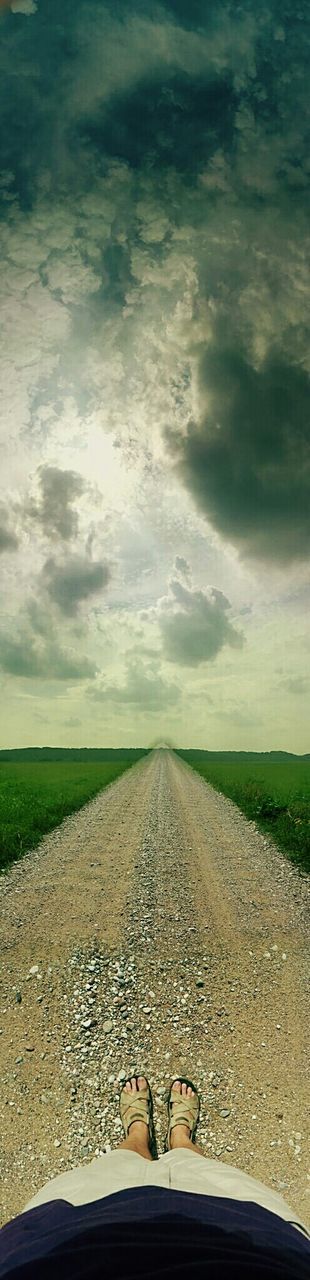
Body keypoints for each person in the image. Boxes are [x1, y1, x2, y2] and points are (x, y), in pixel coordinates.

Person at [0, 1075, 309, 1277]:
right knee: (206, 1176)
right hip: (252, 1245)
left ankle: (138, 1135)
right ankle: (180, 1142)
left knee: (111, 1171)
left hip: (61, 1241)